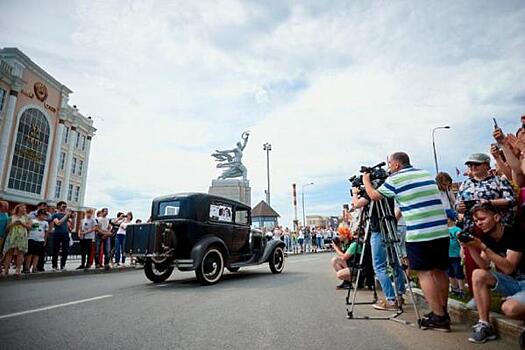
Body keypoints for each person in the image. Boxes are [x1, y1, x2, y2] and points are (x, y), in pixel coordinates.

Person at [364, 152, 451, 331]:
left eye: (390, 164)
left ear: (396, 165)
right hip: (441, 230)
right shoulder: (425, 174)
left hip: (420, 233)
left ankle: (439, 317)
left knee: (425, 273)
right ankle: (443, 311)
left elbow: (373, 196)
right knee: (440, 271)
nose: (388, 168)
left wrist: (366, 181)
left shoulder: (395, 179)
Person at [462, 203, 525, 343]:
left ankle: (516, 300)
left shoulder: (515, 233)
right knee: (478, 274)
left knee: (510, 309)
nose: (479, 224)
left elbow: (509, 267)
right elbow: (484, 265)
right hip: (514, 282)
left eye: (482, 219)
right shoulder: (487, 237)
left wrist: (483, 247)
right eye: (476, 221)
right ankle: (484, 325)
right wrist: (471, 247)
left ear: (496, 217)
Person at [456, 153, 516, 294]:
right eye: (470, 165)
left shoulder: (498, 181)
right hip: (473, 226)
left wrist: (489, 203)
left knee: (502, 259)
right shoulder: (465, 184)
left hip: (496, 226)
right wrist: (460, 207)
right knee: (472, 260)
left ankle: (508, 291)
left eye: (476, 164)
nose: (473, 167)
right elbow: (457, 204)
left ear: (486, 165)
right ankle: (477, 293)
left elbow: (511, 200)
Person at [352, 183, 405, 311]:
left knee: (380, 267)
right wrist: (393, 219)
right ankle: (400, 295)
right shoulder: (387, 190)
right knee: (396, 264)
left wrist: (355, 193)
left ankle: (391, 300)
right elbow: (401, 207)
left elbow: (356, 204)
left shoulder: (372, 192)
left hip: (378, 232)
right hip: (391, 229)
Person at [2, 204, 32, 276]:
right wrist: (13, 224)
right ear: (18, 208)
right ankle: (6, 270)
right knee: (9, 253)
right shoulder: (11, 217)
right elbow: (7, 228)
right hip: (12, 236)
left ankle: (18, 269)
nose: (24, 209)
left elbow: (30, 227)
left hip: (22, 236)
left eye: (25, 208)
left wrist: (22, 224)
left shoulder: (27, 217)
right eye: (22, 207)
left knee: (20, 253)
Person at [446, 210, 465, 298]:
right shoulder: (444, 230)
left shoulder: (457, 230)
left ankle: (461, 290)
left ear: (449, 219)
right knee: (450, 273)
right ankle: (454, 288)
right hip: (447, 255)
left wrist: (462, 254)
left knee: (458, 272)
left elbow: (461, 243)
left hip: (456, 255)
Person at [25, 209, 49, 273]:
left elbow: (46, 232)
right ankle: (27, 268)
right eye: (42, 215)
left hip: (40, 240)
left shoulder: (45, 223)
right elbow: (28, 229)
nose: (44, 216)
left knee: (37, 255)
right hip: (31, 239)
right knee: (29, 254)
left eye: (45, 215)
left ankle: (34, 267)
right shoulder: (33, 221)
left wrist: (45, 240)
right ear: (39, 214)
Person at [51, 201, 73, 271]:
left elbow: (71, 226)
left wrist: (73, 217)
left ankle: (62, 265)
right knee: (56, 250)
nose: (64, 208)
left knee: (65, 250)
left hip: (65, 233)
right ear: (58, 206)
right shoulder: (55, 215)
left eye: (65, 206)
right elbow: (58, 223)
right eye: (63, 206)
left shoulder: (67, 215)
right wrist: (66, 216)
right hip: (57, 233)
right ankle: (54, 266)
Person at [0, 201, 9, 274]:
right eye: (4, 206)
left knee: (1, 252)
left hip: (3, 236)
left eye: (7, 206)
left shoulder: (6, 214)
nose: (6, 207)